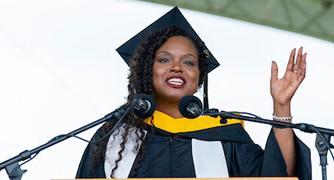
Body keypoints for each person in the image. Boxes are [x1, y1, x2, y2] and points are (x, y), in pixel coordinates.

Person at [76, 7, 311, 179]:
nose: (177, 67)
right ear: (147, 70)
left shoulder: (224, 133)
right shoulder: (114, 136)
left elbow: (277, 176)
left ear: (199, 76)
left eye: (189, 62)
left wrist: (282, 106)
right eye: (164, 59)